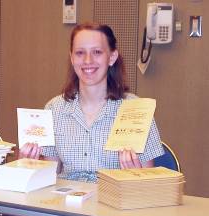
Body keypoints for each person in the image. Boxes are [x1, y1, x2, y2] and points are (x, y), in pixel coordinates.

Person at [20, 22, 164, 183]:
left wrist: (136, 176)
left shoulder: (136, 109)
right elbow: (48, 175)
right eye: (80, 53)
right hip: (66, 204)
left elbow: (149, 181)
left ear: (111, 57)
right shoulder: (54, 108)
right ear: (72, 58)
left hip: (114, 201)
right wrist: (28, 164)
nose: (88, 60)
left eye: (97, 52)